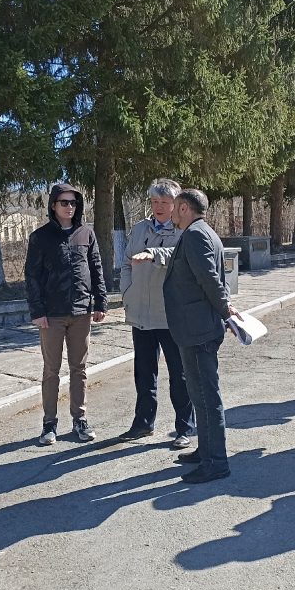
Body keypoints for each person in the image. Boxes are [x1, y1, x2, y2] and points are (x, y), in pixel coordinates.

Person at [162, 189, 240, 484]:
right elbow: (216, 279)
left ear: (184, 207)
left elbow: (210, 280)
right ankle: (206, 450)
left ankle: (216, 462)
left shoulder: (195, 235)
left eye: (173, 206)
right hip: (196, 327)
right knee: (200, 396)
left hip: (198, 330)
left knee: (207, 398)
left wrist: (226, 312)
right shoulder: (204, 232)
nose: (170, 212)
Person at [25, 182, 107, 446]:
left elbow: (96, 269)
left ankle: (80, 419)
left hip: (81, 312)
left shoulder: (86, 234)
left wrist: (100, 302)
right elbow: (32, 276)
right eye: (64, 202)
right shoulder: (40, 237)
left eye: (73, 202)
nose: (69, 207)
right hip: (51, 315)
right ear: (53, 205)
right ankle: (49, 424)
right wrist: (37, 311)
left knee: (79, 368)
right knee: (51, 370)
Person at [118, 179, 196, 448]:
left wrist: (154, 253)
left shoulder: (184, 230)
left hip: (170, 315)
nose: (159, 206)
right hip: (141, 313)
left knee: (180, 374)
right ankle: (143, 423)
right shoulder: (141, 228)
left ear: (176, 205)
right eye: (155, 202)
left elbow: (181, 256)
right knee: (144, 373)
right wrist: (127, 290)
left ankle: (185, 427)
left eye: (165, 202)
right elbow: (126, 262)